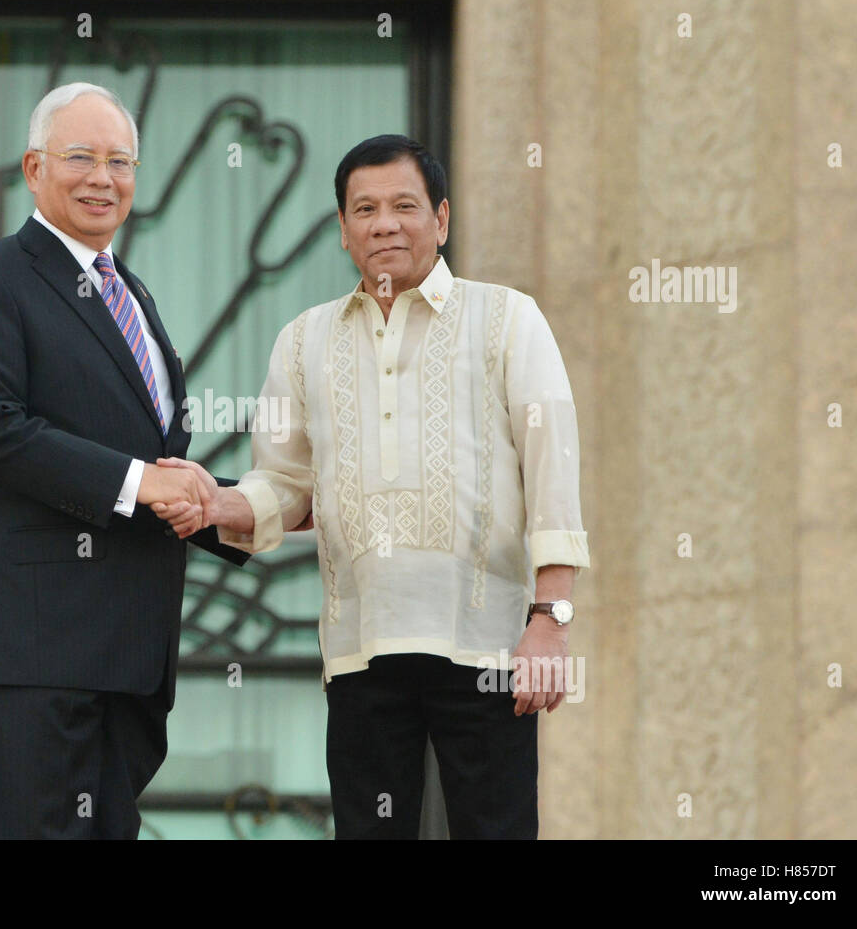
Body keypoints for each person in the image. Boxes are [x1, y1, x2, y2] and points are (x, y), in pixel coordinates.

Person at [155, 134, 590, 839]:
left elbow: (552, 471)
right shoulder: (302, 341)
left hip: (487, 648)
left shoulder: (509, 318)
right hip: (361, 648)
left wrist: (551, 619)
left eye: (403, 206)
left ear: (441, 220)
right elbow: (287, 486)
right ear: (343, 230)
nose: (384, 223)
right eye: (365, 209)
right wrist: (215, 502)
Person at [0, 82, 249, 839]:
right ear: (33, 167)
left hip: (129, 656)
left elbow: (161, 467)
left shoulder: (131, 295)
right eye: (81, 157)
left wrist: (262, 508)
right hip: (33, 649)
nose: (102, 178)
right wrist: (145, 484)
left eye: (121, 161)